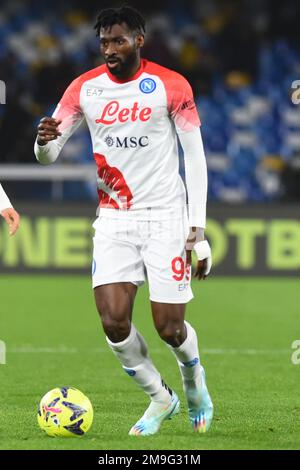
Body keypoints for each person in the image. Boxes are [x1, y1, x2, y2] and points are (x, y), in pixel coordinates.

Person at [34, 5, 213, 436]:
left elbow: (195, 157)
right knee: (114, 321)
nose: (110, 49)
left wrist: (198, 229)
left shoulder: (170, 85)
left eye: (118, 41)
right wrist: (43, 143)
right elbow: (49, 154)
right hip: (114, 217)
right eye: (103, 42)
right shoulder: (84, 89)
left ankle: (194, 384)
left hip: (166, 216)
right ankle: (160, 398)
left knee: (169, 327)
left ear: (139, 40)